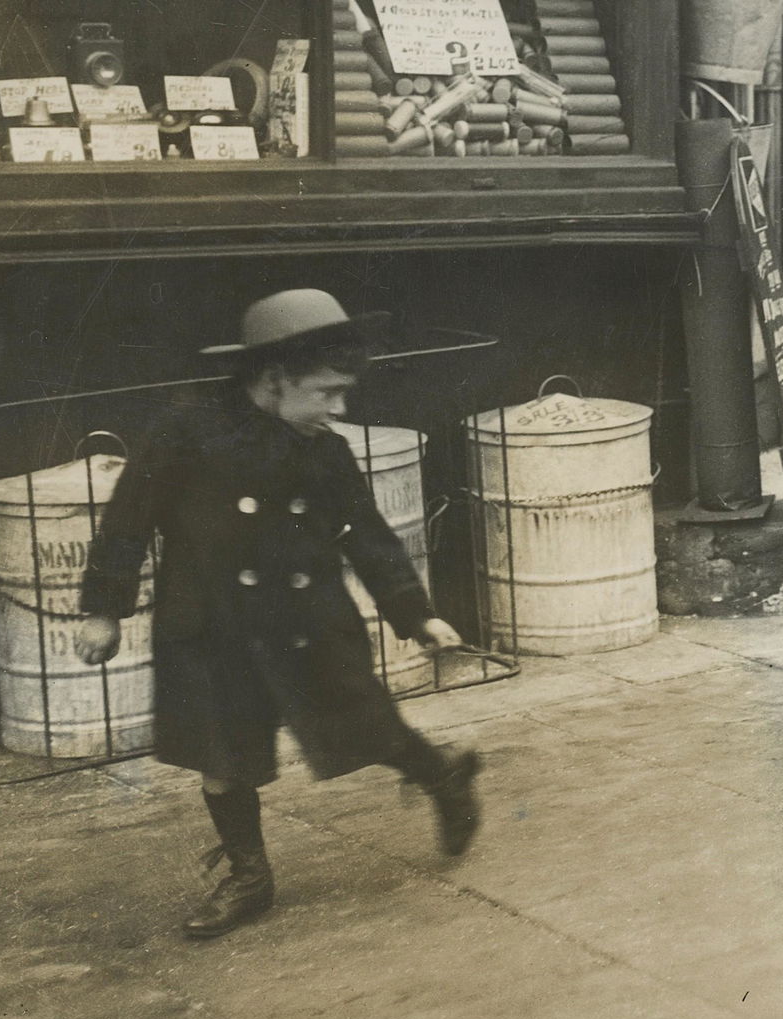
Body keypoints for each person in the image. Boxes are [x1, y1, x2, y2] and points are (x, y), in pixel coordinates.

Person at [74, 289, 481, 940]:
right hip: (211, 622)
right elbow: (128, 519)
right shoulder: (186, 429)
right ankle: (250, 876)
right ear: (273, 378)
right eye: (326, 392)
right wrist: (103, 610)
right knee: (222, 752)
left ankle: (444, 777)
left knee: (367, 723)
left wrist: (416, 614)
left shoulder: (324, 450)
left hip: (306, 618)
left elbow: (368, 535)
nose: (338, 409)